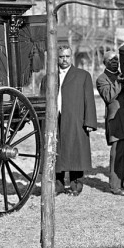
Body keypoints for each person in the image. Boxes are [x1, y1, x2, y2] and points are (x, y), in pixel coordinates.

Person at [41, 47, 97, 196]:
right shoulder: (49, 77)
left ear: (71, 57)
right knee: (56, 151)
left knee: (75, 152)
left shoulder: (83, 76)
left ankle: (75, 186)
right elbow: (42, 101)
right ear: (56, 58)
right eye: (61, 57)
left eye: (67, 56)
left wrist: (89, 122)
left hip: (75, 119)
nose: (64, 59)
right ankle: (58, 186)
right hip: (55, 119)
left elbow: (89, 100)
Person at [95, 50, 124, 196]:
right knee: (118, 154)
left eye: (116, 59)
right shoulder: (102, 79)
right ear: (104, 62)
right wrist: (119, 82)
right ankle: (115, 186)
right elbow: (108, 96)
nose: (114, 61)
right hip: (117, 120)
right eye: (110, 60)